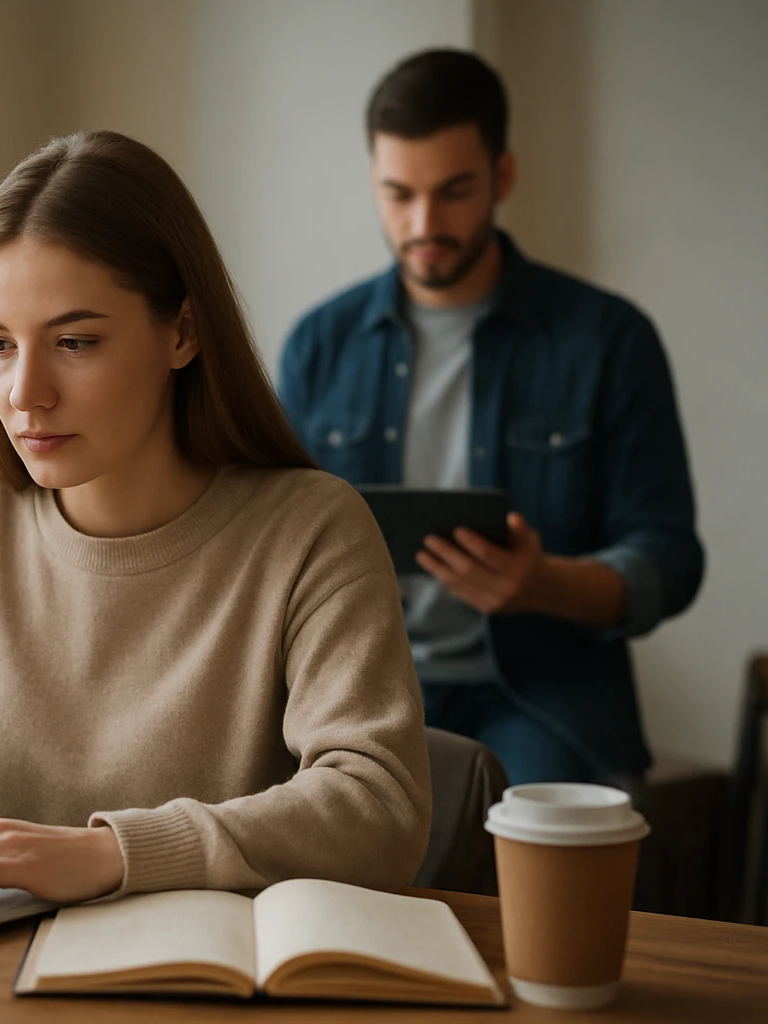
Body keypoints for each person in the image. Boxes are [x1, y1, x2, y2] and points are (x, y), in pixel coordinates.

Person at [0, 130, 430, 911]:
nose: (25, 393)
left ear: (182, 332)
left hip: (203, 983)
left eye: (74, 341)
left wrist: (115, 853)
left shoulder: (312, 529)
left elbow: (379, 809)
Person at [279, 50, 703, 788]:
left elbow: (669, 555)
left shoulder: (608, 339)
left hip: (546, 699)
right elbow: (274, 538)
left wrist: (546, 584)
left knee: (541, 874)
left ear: (502, 177)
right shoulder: (319, 344)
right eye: (397, 194)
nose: (423, 224)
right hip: (362, 694)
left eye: (453, 192)